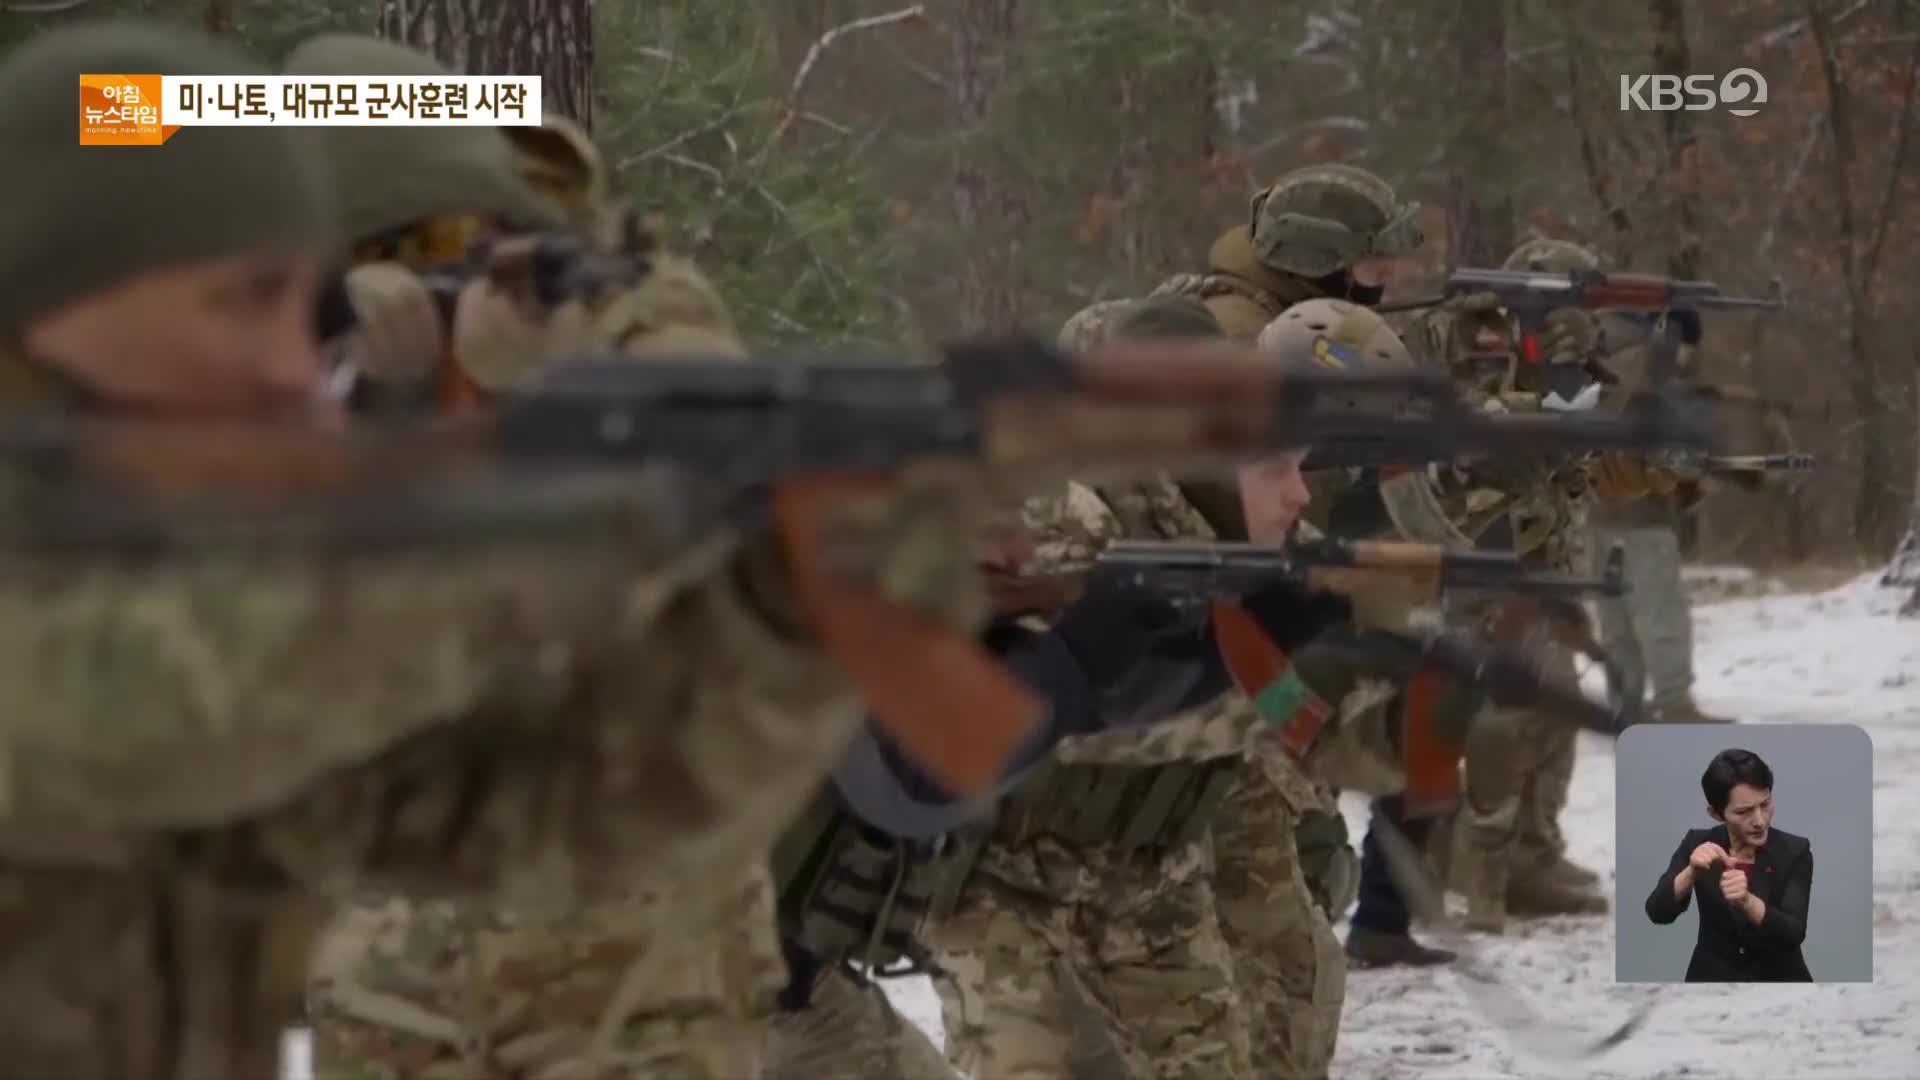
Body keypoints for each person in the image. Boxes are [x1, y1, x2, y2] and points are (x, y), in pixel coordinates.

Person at [0, 20, 990, 1080]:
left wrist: (787, 603)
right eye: (252, 298)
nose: (285, 362)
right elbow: (177, 697)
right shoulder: (187, 558)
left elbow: (589, 806)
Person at [1644, 749, 1812, 981]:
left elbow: (1793, 933)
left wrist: (1747, 902)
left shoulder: (1795, 851)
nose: (1759, 821)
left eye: (1765, 804)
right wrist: (1691, 873)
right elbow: (1657, 912)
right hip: (1711, 981)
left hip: (1780, 983)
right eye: (1743, 812)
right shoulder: (1697, 843)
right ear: (1715, 813)